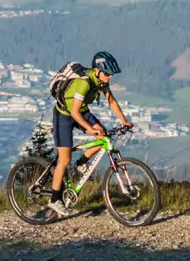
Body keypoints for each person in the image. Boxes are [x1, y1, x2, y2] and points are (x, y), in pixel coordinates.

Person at [44, 51, 132, 201]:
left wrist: (124, 121)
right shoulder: (83, 83)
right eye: (107, 73)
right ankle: (55, 200)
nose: (110, 77)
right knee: (64, 160)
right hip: (64, 115)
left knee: (104, 136)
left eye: (111, 74)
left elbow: (112, 101)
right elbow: (74, 112)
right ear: (97, 70)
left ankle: (80, 163)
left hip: (82, 112)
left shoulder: (101, 81)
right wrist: (91, 130)